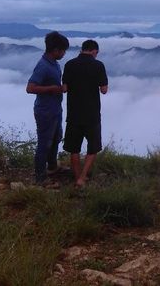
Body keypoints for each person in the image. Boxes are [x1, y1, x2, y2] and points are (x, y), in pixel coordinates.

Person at [62, 39, 108, 187]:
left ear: (82, 49)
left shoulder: (69, 64)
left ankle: (77, 178)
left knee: (74, 148)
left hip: (74, 113)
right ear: (94, 51)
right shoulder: (98, 65)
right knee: (93, 147)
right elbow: (104, 90)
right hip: (92, 114)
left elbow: (64, 88)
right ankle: (82, 177)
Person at [26, 31, 69, 185]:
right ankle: (40, 177)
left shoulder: (54, 64)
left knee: (56, 138)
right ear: (55, 49)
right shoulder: (43, 66)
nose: (64, 54)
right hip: (45, 111)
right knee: (44, 142)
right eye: (63, 50)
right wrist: (51, 88)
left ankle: (52, 166)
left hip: (55, 109)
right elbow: (30, 88)